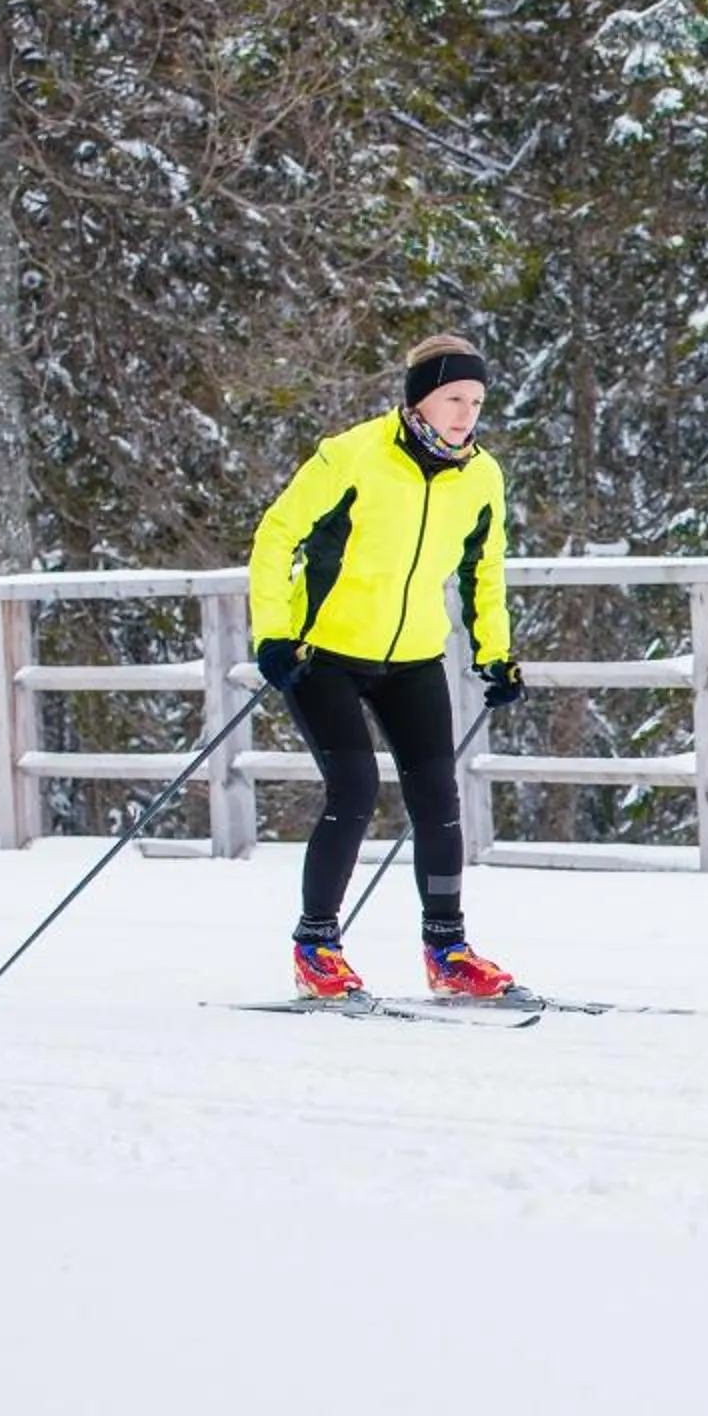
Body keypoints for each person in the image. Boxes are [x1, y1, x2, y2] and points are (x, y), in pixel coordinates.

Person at [247, 334, 528, 1001]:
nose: (466, 413)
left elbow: (482, 571)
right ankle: (316, 946)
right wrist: (275, 635)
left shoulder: (481, 475)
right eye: (453, 397)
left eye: (477, 401)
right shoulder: (352, 456)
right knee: (354, 788)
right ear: (418, 398)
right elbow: (275, 534)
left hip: (413, 658)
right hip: (325, 654)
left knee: (438, 798)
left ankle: (448, 951)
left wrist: (495, 652)